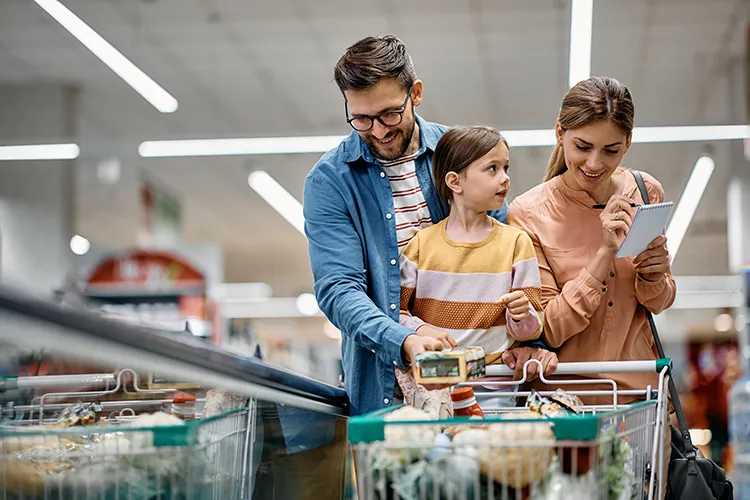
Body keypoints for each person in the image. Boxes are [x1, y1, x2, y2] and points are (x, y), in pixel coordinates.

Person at [303, 35, 552, 416]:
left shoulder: (462, 155)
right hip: (383, 387)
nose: (379, 131)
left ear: (415, 93)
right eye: (361, 119)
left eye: (389, 114)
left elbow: (501, 257)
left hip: (482, 387)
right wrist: (403, 339)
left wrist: (529, 336)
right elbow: (339, 289)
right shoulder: (330, 182)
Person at [506, 76, 675, 496]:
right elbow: (547, 327)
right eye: (582, 146)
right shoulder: (527, 213)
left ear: (628, 143)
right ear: (560, 133)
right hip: (565, 411)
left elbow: (658, 301)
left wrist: (657, 274)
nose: (595, 163)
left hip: (641, 406)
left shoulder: (644, 190)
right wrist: (603, 256)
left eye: (611, 150)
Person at [397, 126, 555, 415]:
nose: (505, 177)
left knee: (487, 454)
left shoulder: (516, 243)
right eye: (492, 168)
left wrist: (522, 315)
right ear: (455, 182)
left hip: (495, 386)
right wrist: (420, 329)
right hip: (434, 387)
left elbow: (532, 326)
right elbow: (398, 313)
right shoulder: (421, 245)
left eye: (506, 167)